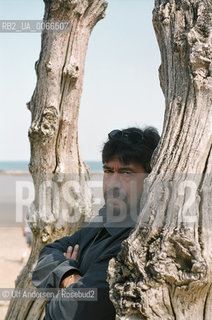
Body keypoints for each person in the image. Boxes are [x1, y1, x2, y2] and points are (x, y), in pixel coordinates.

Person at [32, 126, 160, 320]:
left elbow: (68, 312)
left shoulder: (137, 240)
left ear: (150, 180)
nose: (112, 183)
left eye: (126, 173)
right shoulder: (104, 220)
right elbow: (46, 256)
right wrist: (69, 276)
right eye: (108, 171)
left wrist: (55, 292)